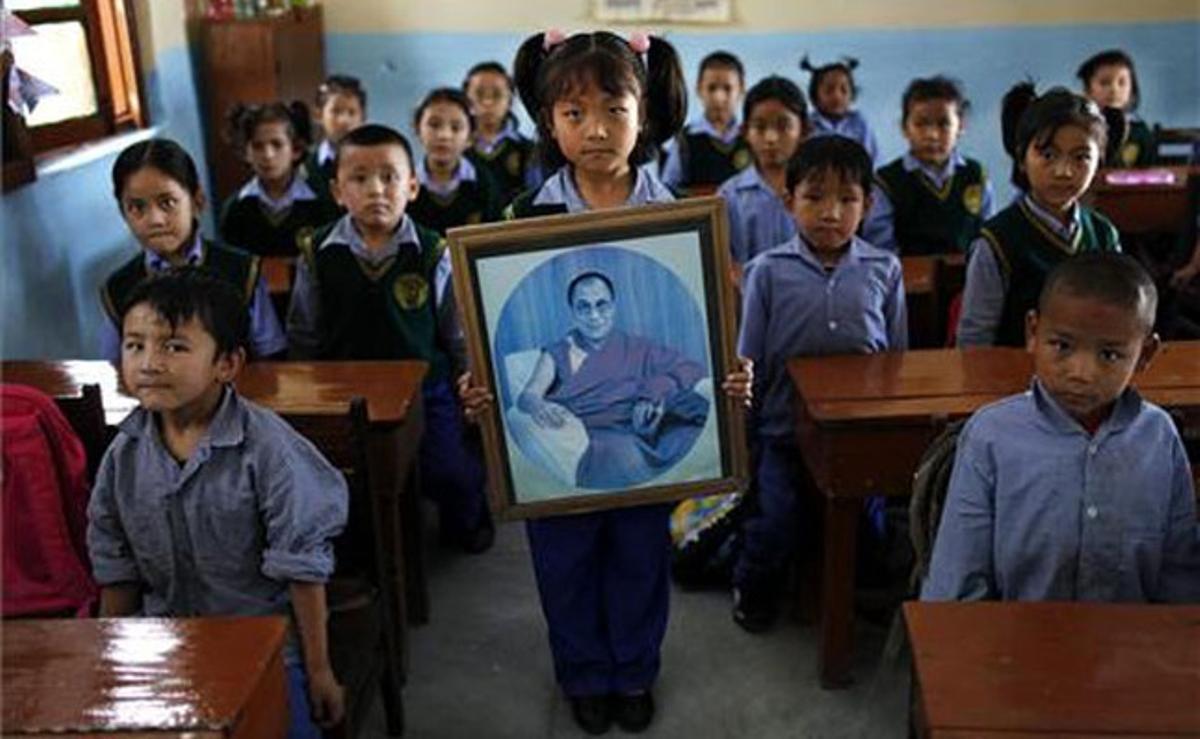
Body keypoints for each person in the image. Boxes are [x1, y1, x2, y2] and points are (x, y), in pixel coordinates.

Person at [460, 30, 753, 735]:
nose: (595, 129)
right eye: (572, 113)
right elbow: (496, 339)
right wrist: (484, 391)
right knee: (564, 564)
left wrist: (732, 370)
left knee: (637, 558)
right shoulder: (520, 223)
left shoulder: (680, 217)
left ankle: (633, 670)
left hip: (639, 442)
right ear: (549, 122)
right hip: (555, 450)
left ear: (643, 112)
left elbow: (712, 326)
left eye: (613, 108)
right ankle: (583, 672)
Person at [87, 269, 349, 738]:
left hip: (261, 646)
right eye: (135, 344)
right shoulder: (122, 456)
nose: (149, 362)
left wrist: (319, 670)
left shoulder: (268, 449)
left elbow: (303, 571)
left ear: (226, 364)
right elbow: (118, 572)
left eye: (174, 346)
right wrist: (112, 670)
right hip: (162, 645)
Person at [923, 253, 1199, 602]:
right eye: (1062, 346)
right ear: (1033, 333)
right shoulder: (990, 436)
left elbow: (1180, 574)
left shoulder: (1159, 437)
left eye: (1110, 355)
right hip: (1013, 645)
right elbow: (959, 579)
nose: (1081, 372)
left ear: (1145, 354)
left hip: (1129, 647)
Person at [286, 123, 494, 553]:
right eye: (359, 179)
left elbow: (456, 335)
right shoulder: (316, 252)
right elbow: (304, 335)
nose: (376, 189)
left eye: (389, 176)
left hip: (427, 390)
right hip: (343, 394)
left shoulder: (434, 251)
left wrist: (466, 385)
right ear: (338, 191)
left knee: (449, 474)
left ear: (413, 187)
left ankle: (469, 519)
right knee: (343, 482)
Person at [731, 136, 907, 631]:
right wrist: (748, 439)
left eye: (847, 199)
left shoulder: (884, 270)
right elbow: (752, 361)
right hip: (783, 431)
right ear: (789, 202)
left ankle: (861, 591)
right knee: (775, 523)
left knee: (867, 528)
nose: (830, 212)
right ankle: (753, 584)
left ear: (867, 206)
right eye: (814, 197)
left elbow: (895, 361)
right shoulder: (767, 272)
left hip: (857, 433)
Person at [957, 84, 1120, 348]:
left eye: (1080, 157)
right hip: (1012, 378)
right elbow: (975, 337)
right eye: (1048, 155)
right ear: (1022, 158)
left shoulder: (1104, 234)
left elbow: (1117, 317)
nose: (1063, 171)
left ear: (1098, 163)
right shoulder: (997, 241)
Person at [516, 271, 709, 489]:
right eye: (584, 307)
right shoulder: (557, 352)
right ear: (573, 313)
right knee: (622, 457)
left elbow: (691, 368)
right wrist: (538, 405)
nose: (594, 315)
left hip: (650, 422)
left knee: (692, 428)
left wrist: (652, 393)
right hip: (605, 433)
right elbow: (528, 396)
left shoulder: (636, 346)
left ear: (614, 308)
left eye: (602, 305)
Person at [101, 138, 286, 362]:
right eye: (136, 207)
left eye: (167, 203)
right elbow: (116, 369)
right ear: (123, 213)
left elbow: (272, 357)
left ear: (197, 201)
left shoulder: (241, 271)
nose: (155, 220)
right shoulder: (118, 289)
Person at [862, 76, 994, 256]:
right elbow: (879, 248)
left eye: (943, 124)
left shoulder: (976, 175)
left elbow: (988, 238)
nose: (932, 134)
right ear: (904, 128)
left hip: (969, 279)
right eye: (921, 124)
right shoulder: (886, 182)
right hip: (905, 280)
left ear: (961, 126)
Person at [219, 101, 340, 257]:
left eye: (277, 144)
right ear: (246, 152)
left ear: (295, 149)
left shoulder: (322, 204)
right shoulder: (236, 209)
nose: (268, 155)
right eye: (257, 146)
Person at [717, 75, 808, 266]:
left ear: (804, 131)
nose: (771, 137)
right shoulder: (729, 195)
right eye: (759, 126)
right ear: (744, 132)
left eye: (783, 126)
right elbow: (723, 260)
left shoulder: (817, 193)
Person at [408, 87, 503, 235]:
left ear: (470, 137)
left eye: (456, 127)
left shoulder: (485, 184)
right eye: (434, 125)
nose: (444, 135)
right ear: (417, 129)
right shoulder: (405, 186)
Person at [660, 51, 752, 193]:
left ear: (741, 90)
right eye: (712, 88)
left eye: (727, 89)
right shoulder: (684, 141)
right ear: (699, 89)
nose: (718, 97)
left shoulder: (751, 137)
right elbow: (667, 190)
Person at [463, 60, 541, 204]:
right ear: (466, 100)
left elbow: (536, 198)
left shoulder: (529, 150)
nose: (487, 102)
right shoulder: (456, 150)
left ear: (510, 100)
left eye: (497, 95)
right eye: (479, 94)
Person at [1077, 49, 1155, 168]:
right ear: (1087, 91)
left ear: (1132, 90)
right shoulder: (1080, 129)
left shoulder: (1140, 132)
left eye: (1122, 83)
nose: (1114, 90)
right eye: (1104, 83)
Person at [800, 55, 879, 163]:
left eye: (844, 90)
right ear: (815, 96)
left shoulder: (859, 123)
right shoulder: (808, 125)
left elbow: (872, 158)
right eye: (829, 90)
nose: (837, 96)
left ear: (852, 95)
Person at [305, 75, 367, 209]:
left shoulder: (372, 161)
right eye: (336, 112)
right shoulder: (305, 165)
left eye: (352, 113)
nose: (344, 121)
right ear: (319, 115)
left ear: (363, 118)